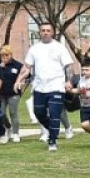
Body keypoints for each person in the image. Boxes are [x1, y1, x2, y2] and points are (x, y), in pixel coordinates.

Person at [17, 21, 77, 152]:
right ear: (39, 32)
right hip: (39, 87)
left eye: (48, 30)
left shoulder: (59, 47)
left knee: (55, 114)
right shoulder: (34, 49)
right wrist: (18, 80)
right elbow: (27, 67)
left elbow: (69, 66)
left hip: (56, 86)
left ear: (52, 32)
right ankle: (52, 129)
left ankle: (52, 141)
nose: (45, 33)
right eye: (43, 30)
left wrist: (69, 81)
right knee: (39, 113)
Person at [0, 45, 23, 142]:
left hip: (13, 93)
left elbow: (26, 76)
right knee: (1, 113)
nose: (4, 58)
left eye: (6, 55)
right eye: (2, 56)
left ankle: (16, 133)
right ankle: (8, 127)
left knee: (13, 112)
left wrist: (21, 84)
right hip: (1, 93)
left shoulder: (17, 65)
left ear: (10, 55)